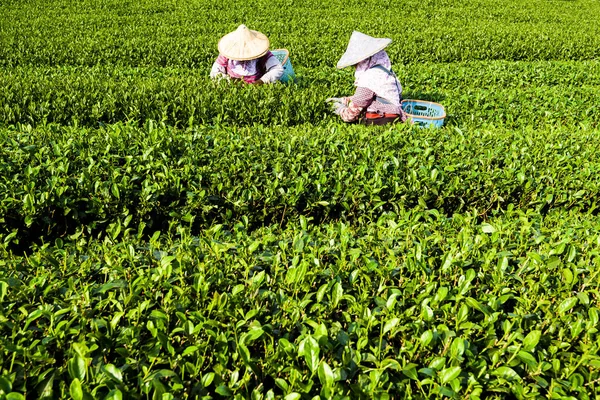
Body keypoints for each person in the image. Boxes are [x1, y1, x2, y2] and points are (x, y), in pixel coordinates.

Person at [327, 31, 407, 125]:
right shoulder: (387, 73)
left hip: (380, 119)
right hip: (395, 116)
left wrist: (340, 109)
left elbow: (350, 115)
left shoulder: (369, 78)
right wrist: (348, 99)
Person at [210, 25, 284, 85]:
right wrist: (229, 80)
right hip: (232, 88)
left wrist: (261, 82)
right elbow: (215, 72)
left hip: (257, 89)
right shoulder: (226, 54)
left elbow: (277, 69)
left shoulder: (261, 53)